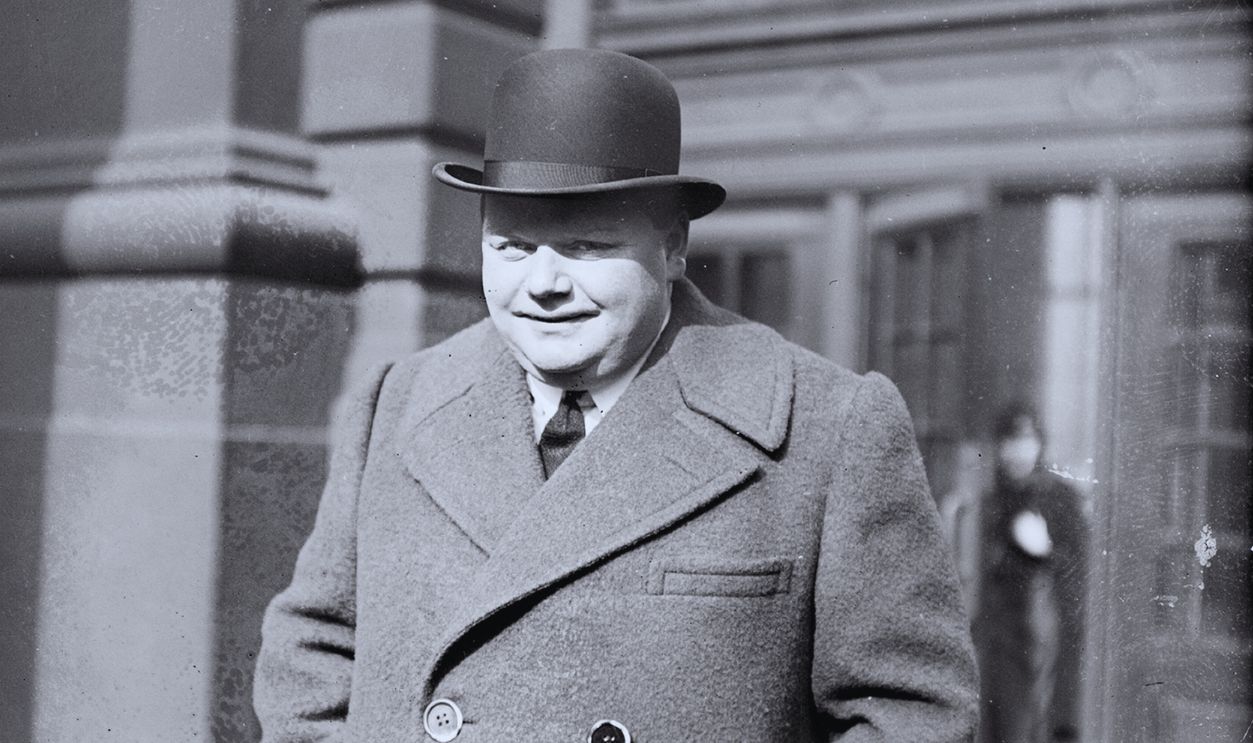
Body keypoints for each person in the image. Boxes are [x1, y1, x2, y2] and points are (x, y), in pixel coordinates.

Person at [253, 48, 977, 742]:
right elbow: (313, 648)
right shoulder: (397, 401)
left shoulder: (827, 425)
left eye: (586, 247)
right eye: (512, 246)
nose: (542, 283)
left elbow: (911, 713)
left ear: (671, 248)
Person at [964, 403, 1089, 743]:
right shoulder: (991, 501)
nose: (1017, 452)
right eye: (1009, 442)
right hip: (997, 648)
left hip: (1042, 648)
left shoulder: (1059, 499)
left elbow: (1078, 581)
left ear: (1039, 445)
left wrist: (1046, 549)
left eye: (1026, 441)